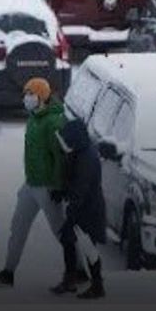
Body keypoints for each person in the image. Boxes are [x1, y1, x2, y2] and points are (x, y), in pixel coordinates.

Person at [0, 77, 81, 287]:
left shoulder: (53, 122)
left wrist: (58, 186)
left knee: (60, 231)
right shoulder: (34, 118)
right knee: (18, 226)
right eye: (26, 94)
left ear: (42, 97)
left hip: (47, 186)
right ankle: (8, 272)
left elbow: (61, 158)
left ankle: (79, 271)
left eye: (31, 94)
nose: (27, 98)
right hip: (31, 183)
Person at [52, 118, 107, 299]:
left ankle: (97, 285)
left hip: (88, 211)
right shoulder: (78, 151)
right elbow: (71, 180)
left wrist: (71, 217)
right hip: (80, 207)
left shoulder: (87, 158)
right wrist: (61, 191)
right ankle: (70, 279)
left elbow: (81, 189)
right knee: (68, 241)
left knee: (89, 247)